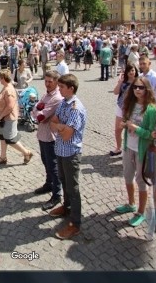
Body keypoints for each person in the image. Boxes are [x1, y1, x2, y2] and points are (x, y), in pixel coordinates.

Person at [115, 78, 156, 228]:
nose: (137, 90)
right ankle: (131, 204)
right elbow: (128, 123)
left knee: (141, 181)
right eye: (135, 87)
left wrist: (136, 128)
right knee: (127, 176)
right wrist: (125, 125)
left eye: (141, 87)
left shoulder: (151, 109)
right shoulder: (131, 104)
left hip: (142, 151)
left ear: (147, 89)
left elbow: (152, 135)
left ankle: (141, 212)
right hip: (128, 147)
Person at [48, 74, 87, 240]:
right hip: (61, 151)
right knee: (64, 181)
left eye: (62, 87)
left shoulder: (75, 108)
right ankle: (66, 207)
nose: (59, 89)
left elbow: (67, 135)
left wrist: (60, 127)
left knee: (73, 187)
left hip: (71, 153)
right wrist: (60, 126)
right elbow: (52, 122)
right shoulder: (64, 103)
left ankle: (75, 223)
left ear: (71, 88)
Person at [31, 70, 64, 211]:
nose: (47, 84)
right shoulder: (46, 94)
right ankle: (48, 183)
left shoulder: (56, 98)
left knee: (53, 165)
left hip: (51, 136)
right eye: (46, 81)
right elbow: (34, 110)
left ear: (57, 82)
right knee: (45, 162)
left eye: (50, 81)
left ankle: (57, 195)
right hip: (42, 134)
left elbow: (40, 117)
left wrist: (40, 109)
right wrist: (39, 109)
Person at [0, 70, 34, 165]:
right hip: (3, 118)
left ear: (3, 79)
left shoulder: (9, 90)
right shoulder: (5, 87)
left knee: (10, 139)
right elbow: (2, 99)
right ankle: (3, 157)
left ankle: (26, 153)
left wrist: (1, 116)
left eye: (0, 78)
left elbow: (10, 106)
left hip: (8, 118)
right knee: (2, 137)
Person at [110, 64, 139, 157]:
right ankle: (118, 148)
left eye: (133, 70)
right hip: (120, 107)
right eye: (129, 70)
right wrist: (120, 82)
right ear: (126, 72)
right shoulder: (124, 82)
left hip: (131, 109)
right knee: (118, 130)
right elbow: (115, 92)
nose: (131, 72)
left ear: (136, 71)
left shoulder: (138, 82)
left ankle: (128, 151)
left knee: (130, 130)